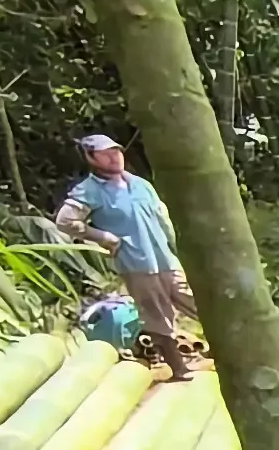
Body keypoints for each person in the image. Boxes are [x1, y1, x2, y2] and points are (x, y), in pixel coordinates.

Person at [57, 134, 197, 378]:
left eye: (116, 151)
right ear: (91, 157)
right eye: (106, 153)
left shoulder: (140, 184)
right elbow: (65, 221)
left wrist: (178, 247)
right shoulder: (89, 190)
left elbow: (162, 217)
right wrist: (103, 237)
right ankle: (179, 369)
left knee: (198, 302)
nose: (114, 157)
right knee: (156, 315)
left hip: (165, 258)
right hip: (135, 262)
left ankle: (230, 351)